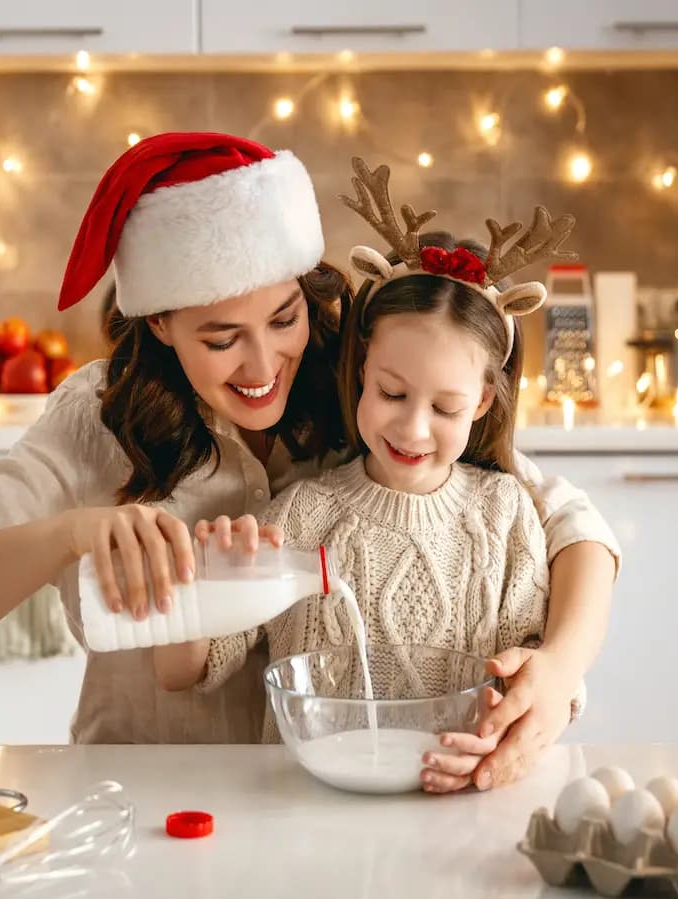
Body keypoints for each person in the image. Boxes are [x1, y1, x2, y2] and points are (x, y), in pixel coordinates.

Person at [0, 133, 618, 789]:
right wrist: (71, 534)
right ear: (162, 323)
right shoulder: (98, 417)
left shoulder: (366, 386)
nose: (264, 364)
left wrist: (559, 670)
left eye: (284, 318)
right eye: (222, 337)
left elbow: (563, 521)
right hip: (139, 789)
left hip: (313, 799)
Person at [153, 158, 589, 792]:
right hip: (309, 808)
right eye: (391, 393)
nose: (413, 429)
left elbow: (538, 679)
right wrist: (200, 582)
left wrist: (506, 721)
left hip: (458, 808)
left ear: (486, 403)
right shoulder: (300, 515)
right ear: (361, 371)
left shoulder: (505, 516)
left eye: (445, 408)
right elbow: (183, 671)